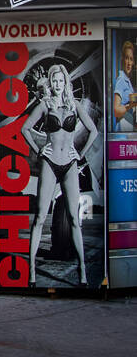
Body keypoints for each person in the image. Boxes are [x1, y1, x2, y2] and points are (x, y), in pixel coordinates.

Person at [24, 64, 98, 287]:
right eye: (53, 81)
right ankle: (32, 273)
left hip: (69, 165)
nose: (57, 85)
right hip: (49, 163)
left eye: (60, 81)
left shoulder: (74, 105)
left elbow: (93, 131)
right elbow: (24, 128)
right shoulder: (45, 105)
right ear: (50, 83)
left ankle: (82, 272)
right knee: (39, 218)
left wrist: (80, 153)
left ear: (66, 82)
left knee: (75, 219)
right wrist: (38, 150)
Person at [113, 40, 136, 132]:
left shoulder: (127, 80)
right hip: (123, 126)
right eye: (127, 58)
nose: (129, 63)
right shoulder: (121, 79)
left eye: (131, 59)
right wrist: (131, 105)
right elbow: (116, 111)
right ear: (122, 59)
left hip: (128, 125)